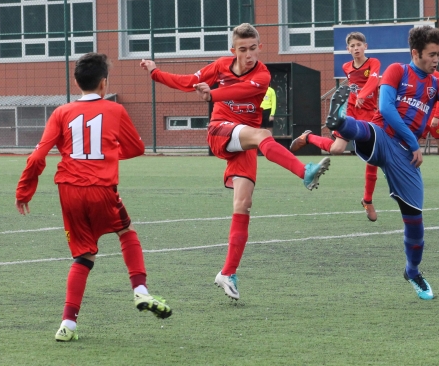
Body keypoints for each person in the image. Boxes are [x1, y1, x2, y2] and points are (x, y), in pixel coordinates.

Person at [140, 23, 330, 301]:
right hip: (221, 131)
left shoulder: (263, 75)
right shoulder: (220, 66)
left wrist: (212, 94)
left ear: (259, 47)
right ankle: (305, 171)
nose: (249, 54)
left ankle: (227, 273)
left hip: (245, 142)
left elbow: (240, 92)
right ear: (233, 50)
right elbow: (186, 81)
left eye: (253, 48)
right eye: (242, 50)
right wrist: (155, 72)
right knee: (263, 134)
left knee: (243, 205)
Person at [15, 53, 172, 342]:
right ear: (104, 84)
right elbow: (137, 148)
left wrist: (25, 190)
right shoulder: (115, 110)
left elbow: (39, 154)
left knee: (83, 256)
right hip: (100, 188)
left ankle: (67, 325)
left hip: (69, 191)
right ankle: (140, 291)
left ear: (76, 82)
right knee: (126, 231)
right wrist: (109, 155)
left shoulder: (61, 112)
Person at [325, 25, 439, 300]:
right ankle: (340, 119)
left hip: (404, 156)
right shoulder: (397, 71)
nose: (436, 59)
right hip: (384, 135)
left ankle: (412, 271)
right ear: (415, 53)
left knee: (415, 221)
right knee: (366, 129)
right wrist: (414, 143)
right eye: (432, 54)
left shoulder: (435, 83)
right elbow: (387, 109)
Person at [290, 32, 381, 221]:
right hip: (351, 112)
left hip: (370, 115)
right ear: (348, 49)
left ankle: (368, 200)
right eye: (352, 46)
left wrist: (363, 94)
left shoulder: (374, 63)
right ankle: (308, 137)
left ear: (366, 46)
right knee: (337, 149)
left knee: (373, 159)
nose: (356, 48)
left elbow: (373, 81)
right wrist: (357, 97)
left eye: (359, 45)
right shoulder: (346, 66)